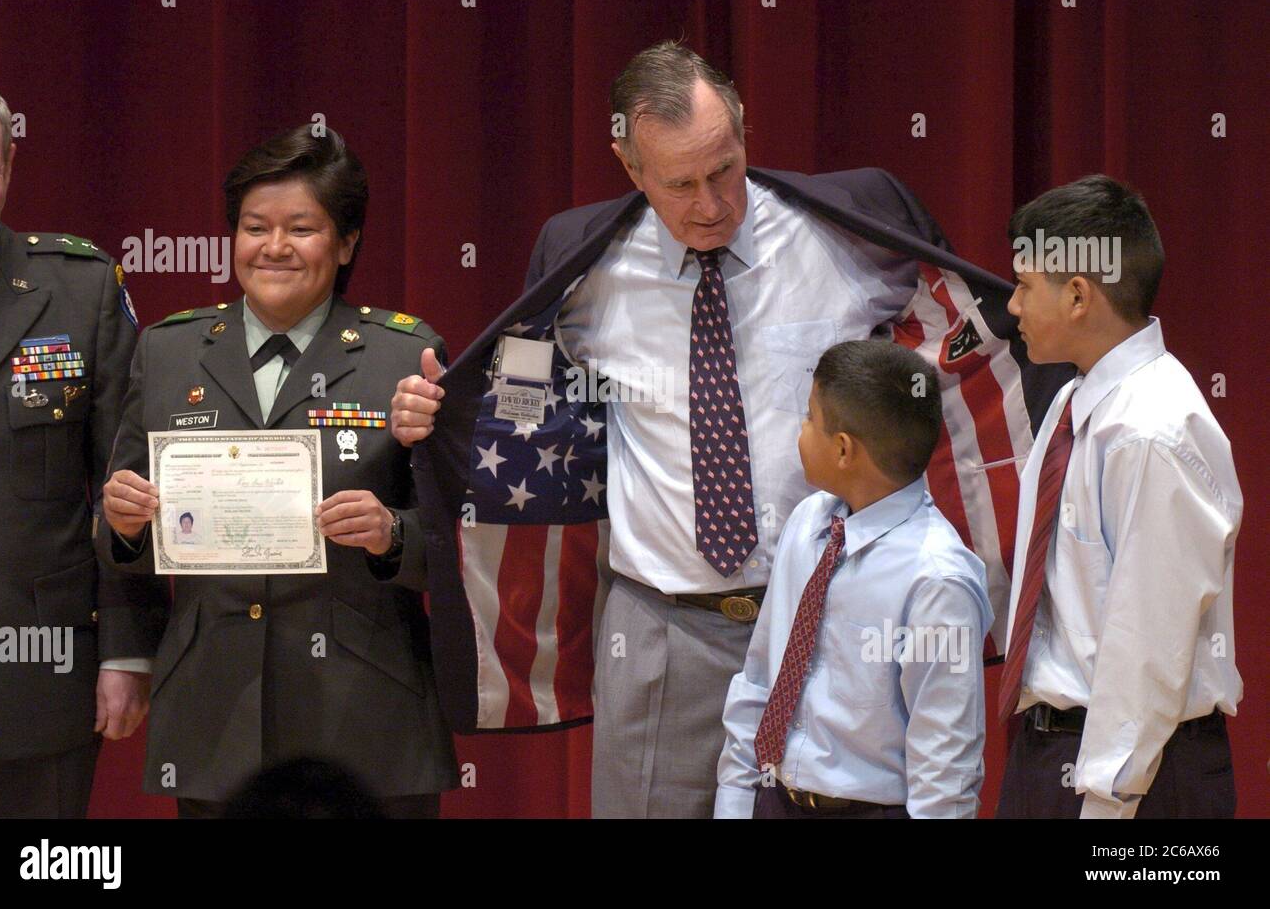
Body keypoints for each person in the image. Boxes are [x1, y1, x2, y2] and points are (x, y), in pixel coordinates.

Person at [393, 41, 1060, 818]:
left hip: (833, 616)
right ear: (628, 164)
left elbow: (967, 334)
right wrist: (439, 415)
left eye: (724, 169)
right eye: (679, 184)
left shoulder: (849, 229)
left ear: (744, 133)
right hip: (660, 633)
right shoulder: (579, 262)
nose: (710, 204)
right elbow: (525, 407)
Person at [97, 124, 458, 818]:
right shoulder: (168, 351)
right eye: (255, 226)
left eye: (302, 227)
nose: (275, 247)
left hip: (366, 708)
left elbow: (456, 539)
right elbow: (123, 539)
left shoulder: (403, 356)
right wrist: (121, 526)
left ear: (346, 242)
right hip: (213, 712)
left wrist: (390, 532)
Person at [996, 175, 1242, 818]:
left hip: (1140, 779)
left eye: (1024, 286)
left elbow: (1149, 642)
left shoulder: (1152, 430)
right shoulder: (1075, 405)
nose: (1012, 307)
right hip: (1052, 755)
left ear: (1079, 294)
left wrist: (1107, 803)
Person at [0, 79, 162, 819]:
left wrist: (126, 648)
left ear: (11, 168)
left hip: (45, 669)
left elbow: (127, 476)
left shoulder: (77, 287)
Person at [716, 340, 990, 819]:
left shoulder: (936, 579)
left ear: (843, 449)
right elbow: (761, 678)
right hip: (775, 801)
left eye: (808, 418)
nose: (799, 431)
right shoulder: (807, 524)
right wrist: (736, 801)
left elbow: (945, 764)